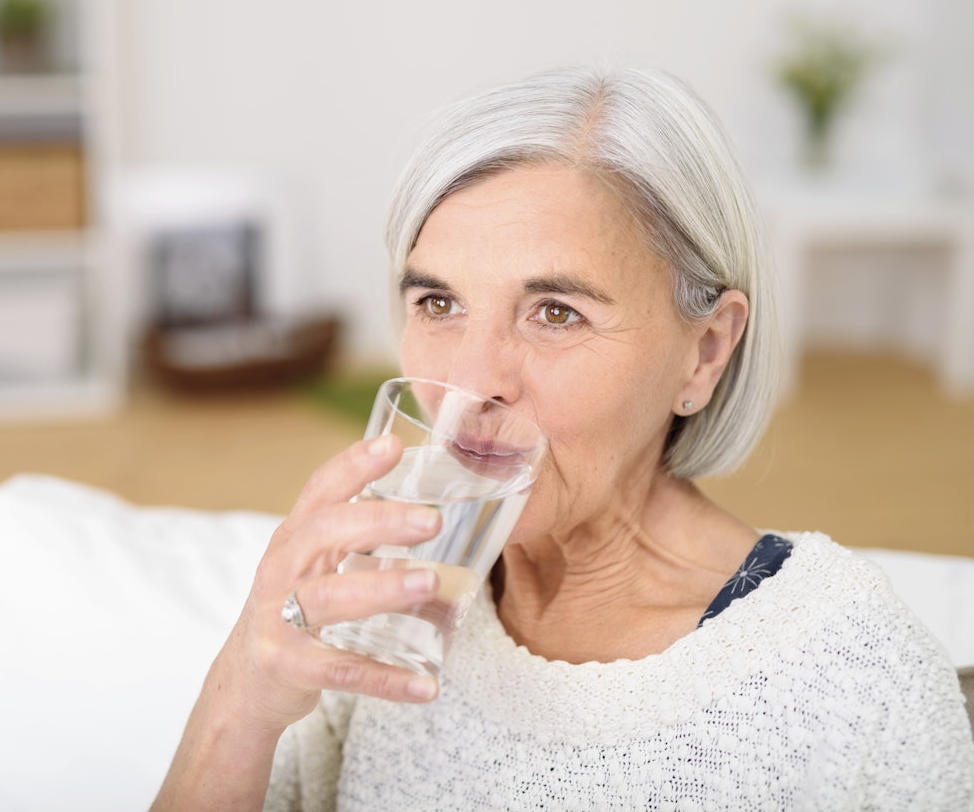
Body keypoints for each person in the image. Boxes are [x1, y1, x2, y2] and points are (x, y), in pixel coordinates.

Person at [150, 65, 974, 810]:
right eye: (438, 303)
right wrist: (241, 696)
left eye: (556, 312)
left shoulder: (852, 675)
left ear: (706, 350)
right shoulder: (369, 611)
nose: (472, 383)